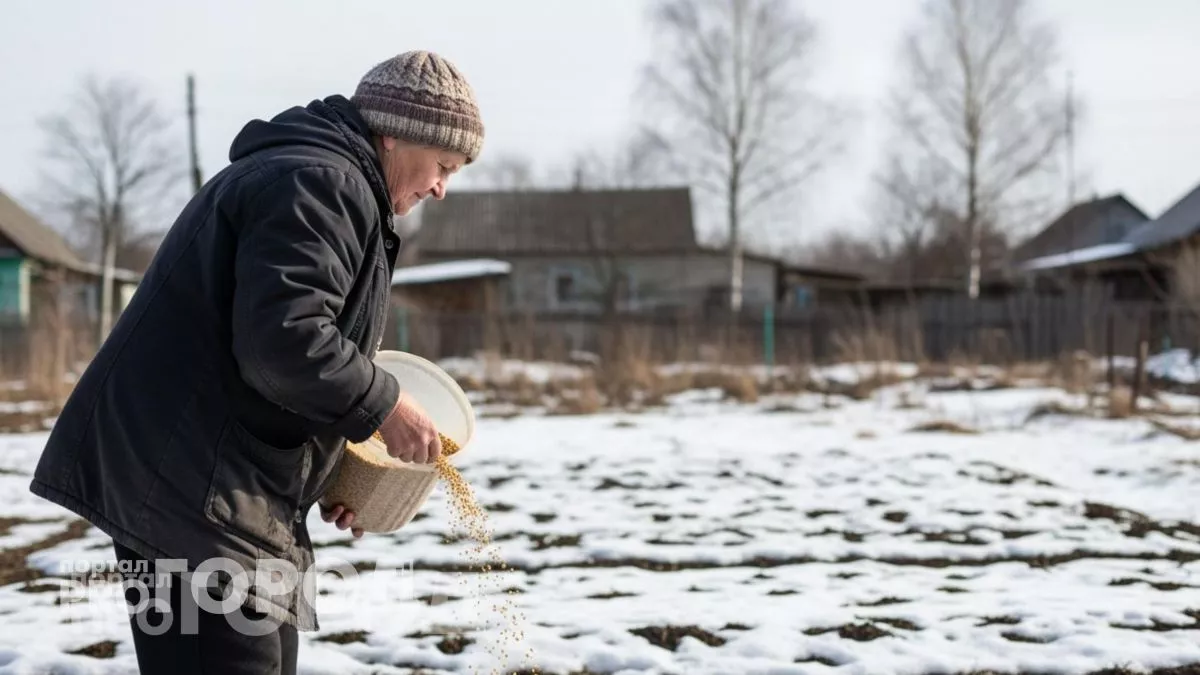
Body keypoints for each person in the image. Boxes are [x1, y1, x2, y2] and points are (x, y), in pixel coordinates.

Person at [28, 50, 484, 674]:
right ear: (398, 132)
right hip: (189, 490)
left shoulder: (332, 184)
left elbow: (286, 355)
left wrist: (329, 476)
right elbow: (284, 343)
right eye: (443, 165)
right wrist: (383, 407)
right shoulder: (322, 184)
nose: (440, 186)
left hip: (227, 487)